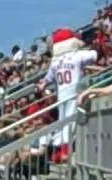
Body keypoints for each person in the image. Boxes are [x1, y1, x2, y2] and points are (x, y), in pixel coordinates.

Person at [37, 28, 97, 163]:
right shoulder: (77, 55)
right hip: (74, 92)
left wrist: (43, 85)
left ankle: (59, 150)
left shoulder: (55, 61)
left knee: (63, 122)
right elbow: (95, 55)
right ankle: (64, 151)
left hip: (61, 95)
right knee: (70, 121)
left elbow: (48, 78)